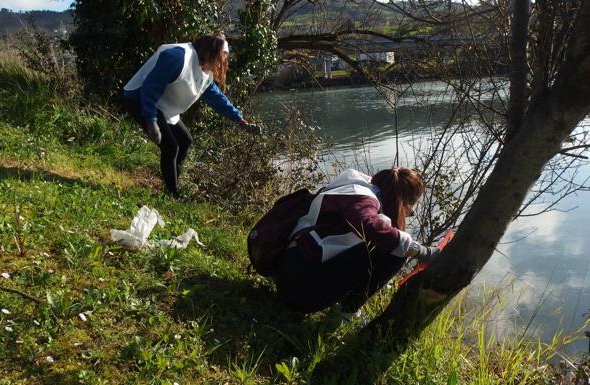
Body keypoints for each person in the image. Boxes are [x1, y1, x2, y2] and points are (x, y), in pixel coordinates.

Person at [274, 167, 440, 317]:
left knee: (389, 243)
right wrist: (422, 251)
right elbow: (369, 225)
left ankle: (341, 306)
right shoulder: (364, 200)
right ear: (400, 201)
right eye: (408, 208)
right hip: (299, 291)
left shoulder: (354, 184)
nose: (407, 213)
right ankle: (347, 313)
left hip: (288, 274)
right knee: (396, 251)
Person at [122, 34, 261, 196]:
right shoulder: (177, 57)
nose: (218, 66)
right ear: (210, 52)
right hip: (140, 98)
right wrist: (151, 120)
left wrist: (240, 121)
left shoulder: (205, 71)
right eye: (218, 60)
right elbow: (150, 88)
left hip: (163, 105)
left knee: (185, 141)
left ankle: (170, 183)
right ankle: (172, 194)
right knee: (170, 146)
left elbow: (217, 99)